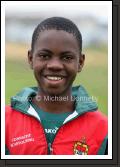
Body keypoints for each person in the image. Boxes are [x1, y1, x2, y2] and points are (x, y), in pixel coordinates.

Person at [5, 17, 108, 155]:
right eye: (44, 56)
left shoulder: (103, 130)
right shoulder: (5, 122)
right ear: (30, 59)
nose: (55, 65)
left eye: (66, 57)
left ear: (80, 62)